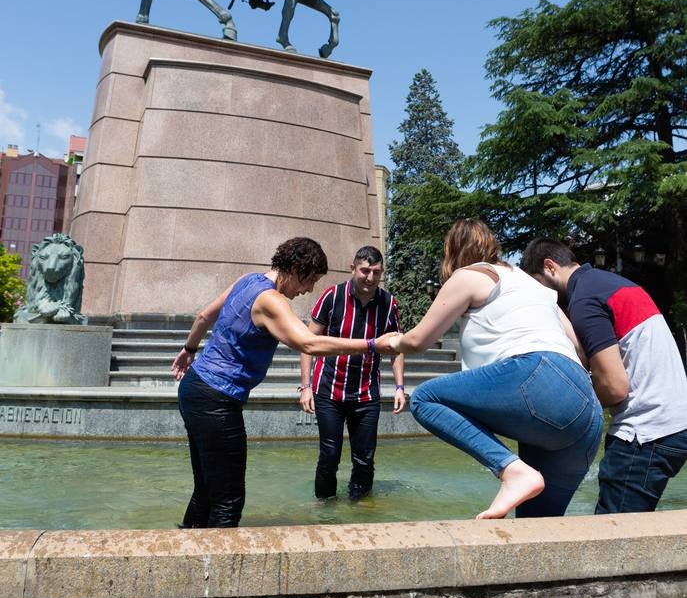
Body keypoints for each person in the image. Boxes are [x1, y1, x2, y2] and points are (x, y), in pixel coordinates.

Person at [376, 219, 603, 519]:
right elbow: (580, 350)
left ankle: (510, 470)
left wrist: (393, 341)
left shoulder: (469, 275)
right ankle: (520, 478)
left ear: (453, 251)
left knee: (426, 399)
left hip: (539, 381)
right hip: (586, 413)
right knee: (537, 526)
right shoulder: (534, 286)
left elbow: (418, 340)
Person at [171, 237, 389, 528]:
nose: (308, 289)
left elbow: (204, 316)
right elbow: (308, 343)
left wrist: (189, 349)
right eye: (309, 280)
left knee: (207, 488)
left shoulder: (247, 280)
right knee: (228, 499)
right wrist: (372, 345)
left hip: (195, 388)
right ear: (296, 269)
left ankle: (188, 550)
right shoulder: (271, 299)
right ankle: (216, 570)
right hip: (217, 399)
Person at [520, 238, 687, 514]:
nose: (541, 296)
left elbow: (615, 387)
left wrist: (568, 403)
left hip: (645, 432)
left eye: (538, 286)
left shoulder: (585, 299)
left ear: (550, 267)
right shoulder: (608, 283)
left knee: (615, 537)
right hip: (672, 424)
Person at [299, 246, 405, 500]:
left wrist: (400, 387)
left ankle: (359, 508)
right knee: (329, 454)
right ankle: (325, 508)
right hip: (329, 391)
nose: (370, 278)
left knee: (365, 458)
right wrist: (306, 386)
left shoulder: (388, 303)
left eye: (376, 272)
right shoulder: (333, 296)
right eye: (365, 271)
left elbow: (396, 346)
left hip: (367, 394)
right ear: (353, 268)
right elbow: (308, 342)